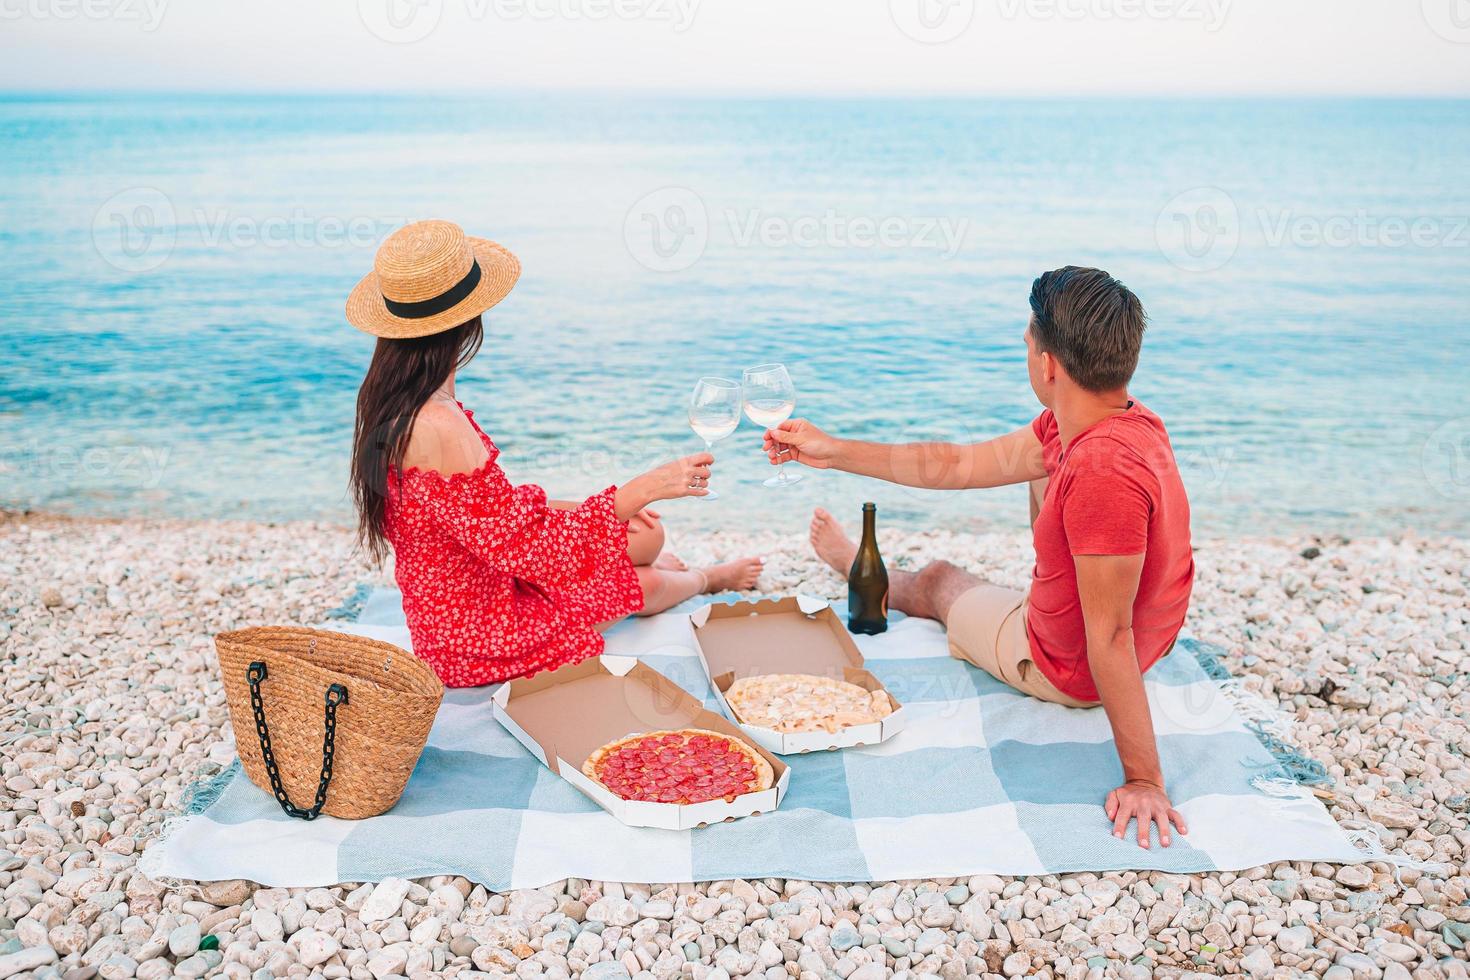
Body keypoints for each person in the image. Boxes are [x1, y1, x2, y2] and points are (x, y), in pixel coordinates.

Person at [762, 267, 1195, 849]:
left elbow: (1111, 636)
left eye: (1027, 345)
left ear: (1048, 365)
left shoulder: (1100, 473)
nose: (1025, 354)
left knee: (943, 579)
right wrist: (833, 450)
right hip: (1151, 630)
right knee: (1036, 473)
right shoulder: (1118, 422)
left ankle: (856, 566)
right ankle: (1042, 586)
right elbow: (957, 465)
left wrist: (1144, 780)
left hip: (1071, 668)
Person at [346, 220, 761, 687]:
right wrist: (647, 487)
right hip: (480, 638)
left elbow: (477, 516)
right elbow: (536, 554)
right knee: (646, 582)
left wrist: (581, 507)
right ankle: (709, 578)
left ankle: (652, 564)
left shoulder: (389, 398)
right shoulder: (441, 423)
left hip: (457, 607)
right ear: (468, 321)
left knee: (645, 541)